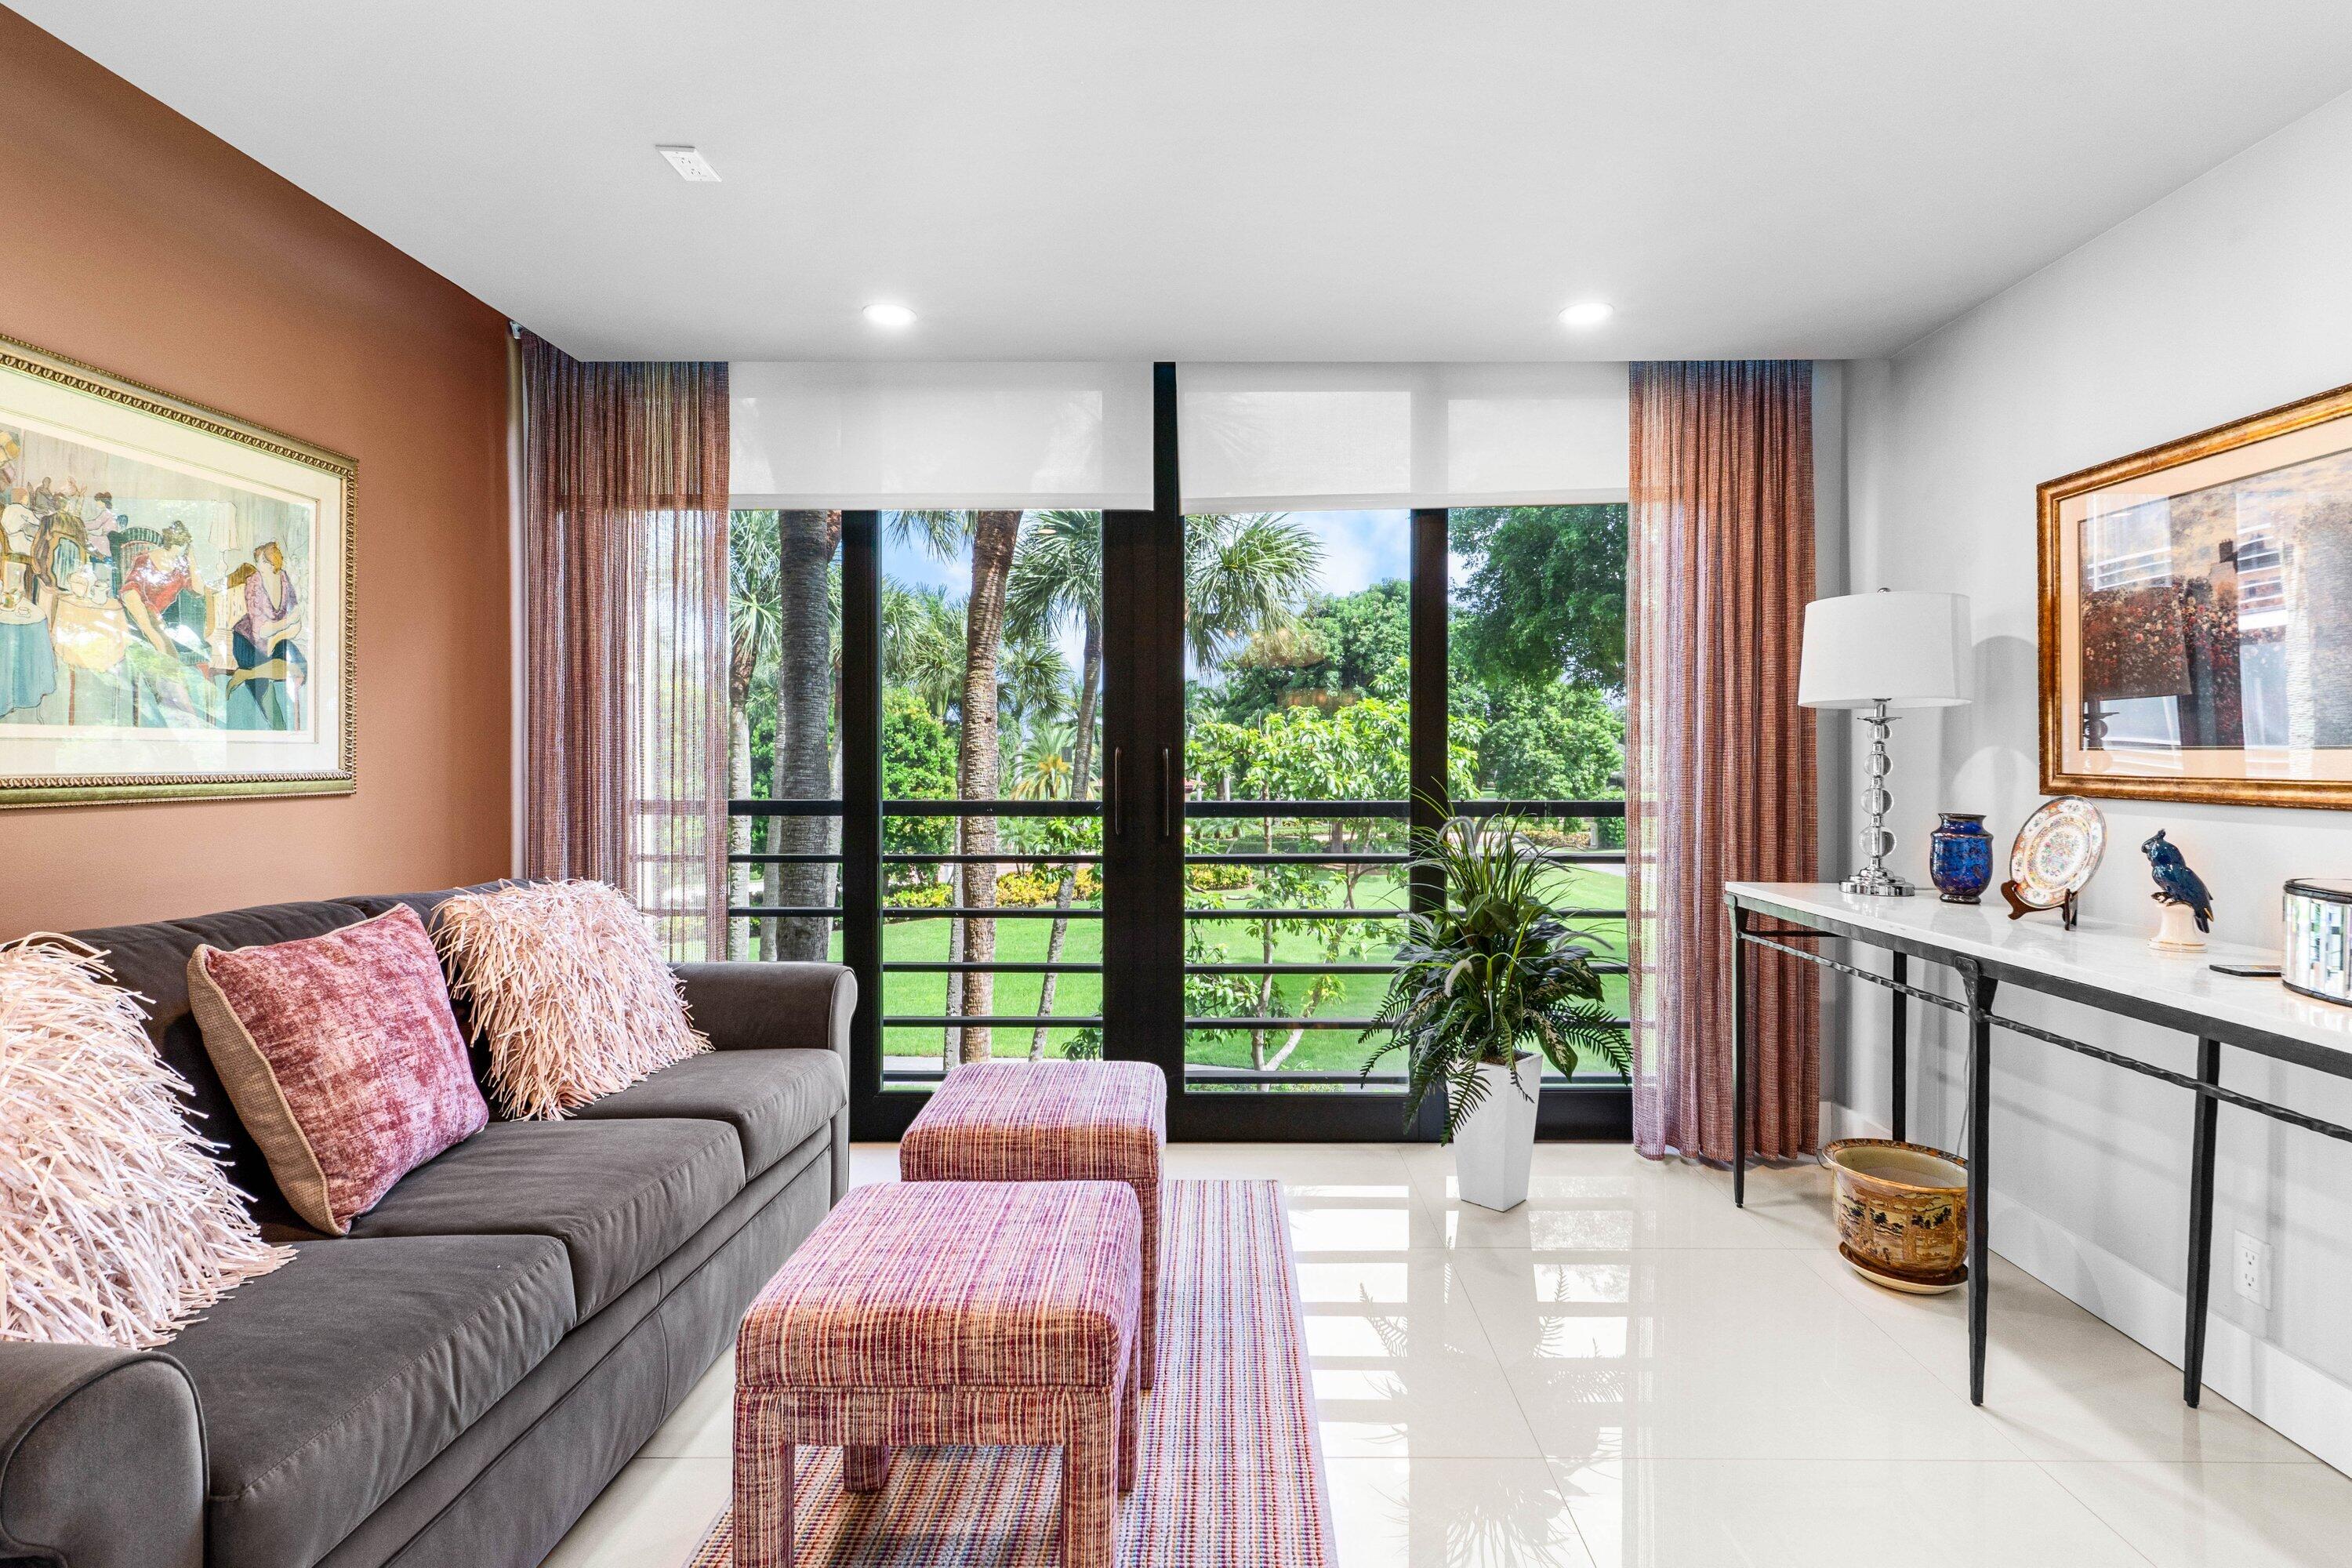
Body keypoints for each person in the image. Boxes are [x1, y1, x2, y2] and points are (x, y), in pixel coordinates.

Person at [227, 538, 303, 730]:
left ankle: (244, 675)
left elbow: (297, 615)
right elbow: (261, 630)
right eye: (258, 561)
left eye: (261, 561)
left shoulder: (284, 579)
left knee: (302, 669)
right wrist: (286, 624)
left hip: (273, 641)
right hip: (247, 642)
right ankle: (280, 732)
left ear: (272, 563)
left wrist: (278, 636)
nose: (257, 565)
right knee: (266, 694)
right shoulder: (253, 583)